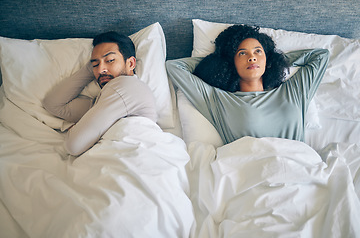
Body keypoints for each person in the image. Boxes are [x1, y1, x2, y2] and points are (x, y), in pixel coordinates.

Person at [166, 24, 329, 144]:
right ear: (231, 62)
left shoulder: (293, 91)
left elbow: (321, 56)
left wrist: (276, 60)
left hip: (299, 169)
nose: (252, 58)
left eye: (258, 51)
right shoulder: (218, 100)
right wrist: (219, 60)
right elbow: (174, 67)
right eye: (242, 53)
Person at [43, 31, 157, 156]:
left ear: (130, 63)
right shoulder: (104, 102)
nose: (100, 69)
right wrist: (93, 68)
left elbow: (73, 146)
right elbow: (53, 104)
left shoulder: (125, 86)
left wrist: (75, 131)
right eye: (95, 64)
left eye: (110, 60)